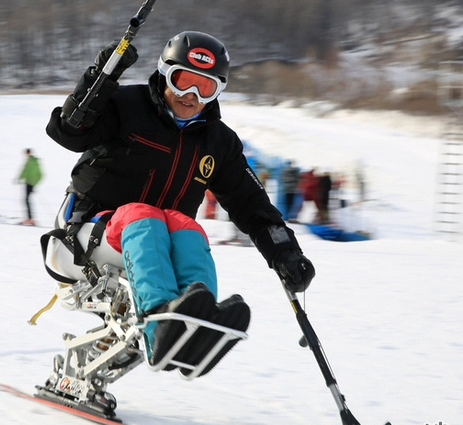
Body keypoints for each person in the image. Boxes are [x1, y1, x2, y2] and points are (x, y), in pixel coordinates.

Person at [46, 31, 315, 377]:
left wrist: (284, 252)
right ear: (164, 74)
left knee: (187, 227)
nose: (191, 96)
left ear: (217, 91)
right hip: (83, 239)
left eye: (205, 88)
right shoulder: (126, 107)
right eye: (183, 81)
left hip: (153, 248)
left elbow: (252, 204)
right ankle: (162, 324)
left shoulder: (218, 143)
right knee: (144, 216)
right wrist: (103, 75)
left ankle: (196, 327)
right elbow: (67, 130)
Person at [17, 148, 43, 225]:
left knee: (27, 200)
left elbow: (27, 171)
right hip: (29, 183)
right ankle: (30, 218)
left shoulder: (31, 161)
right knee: (27, 200)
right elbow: (25, 171)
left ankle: (30, 219)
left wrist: (33, 183)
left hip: (30, 183)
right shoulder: (32, 161)